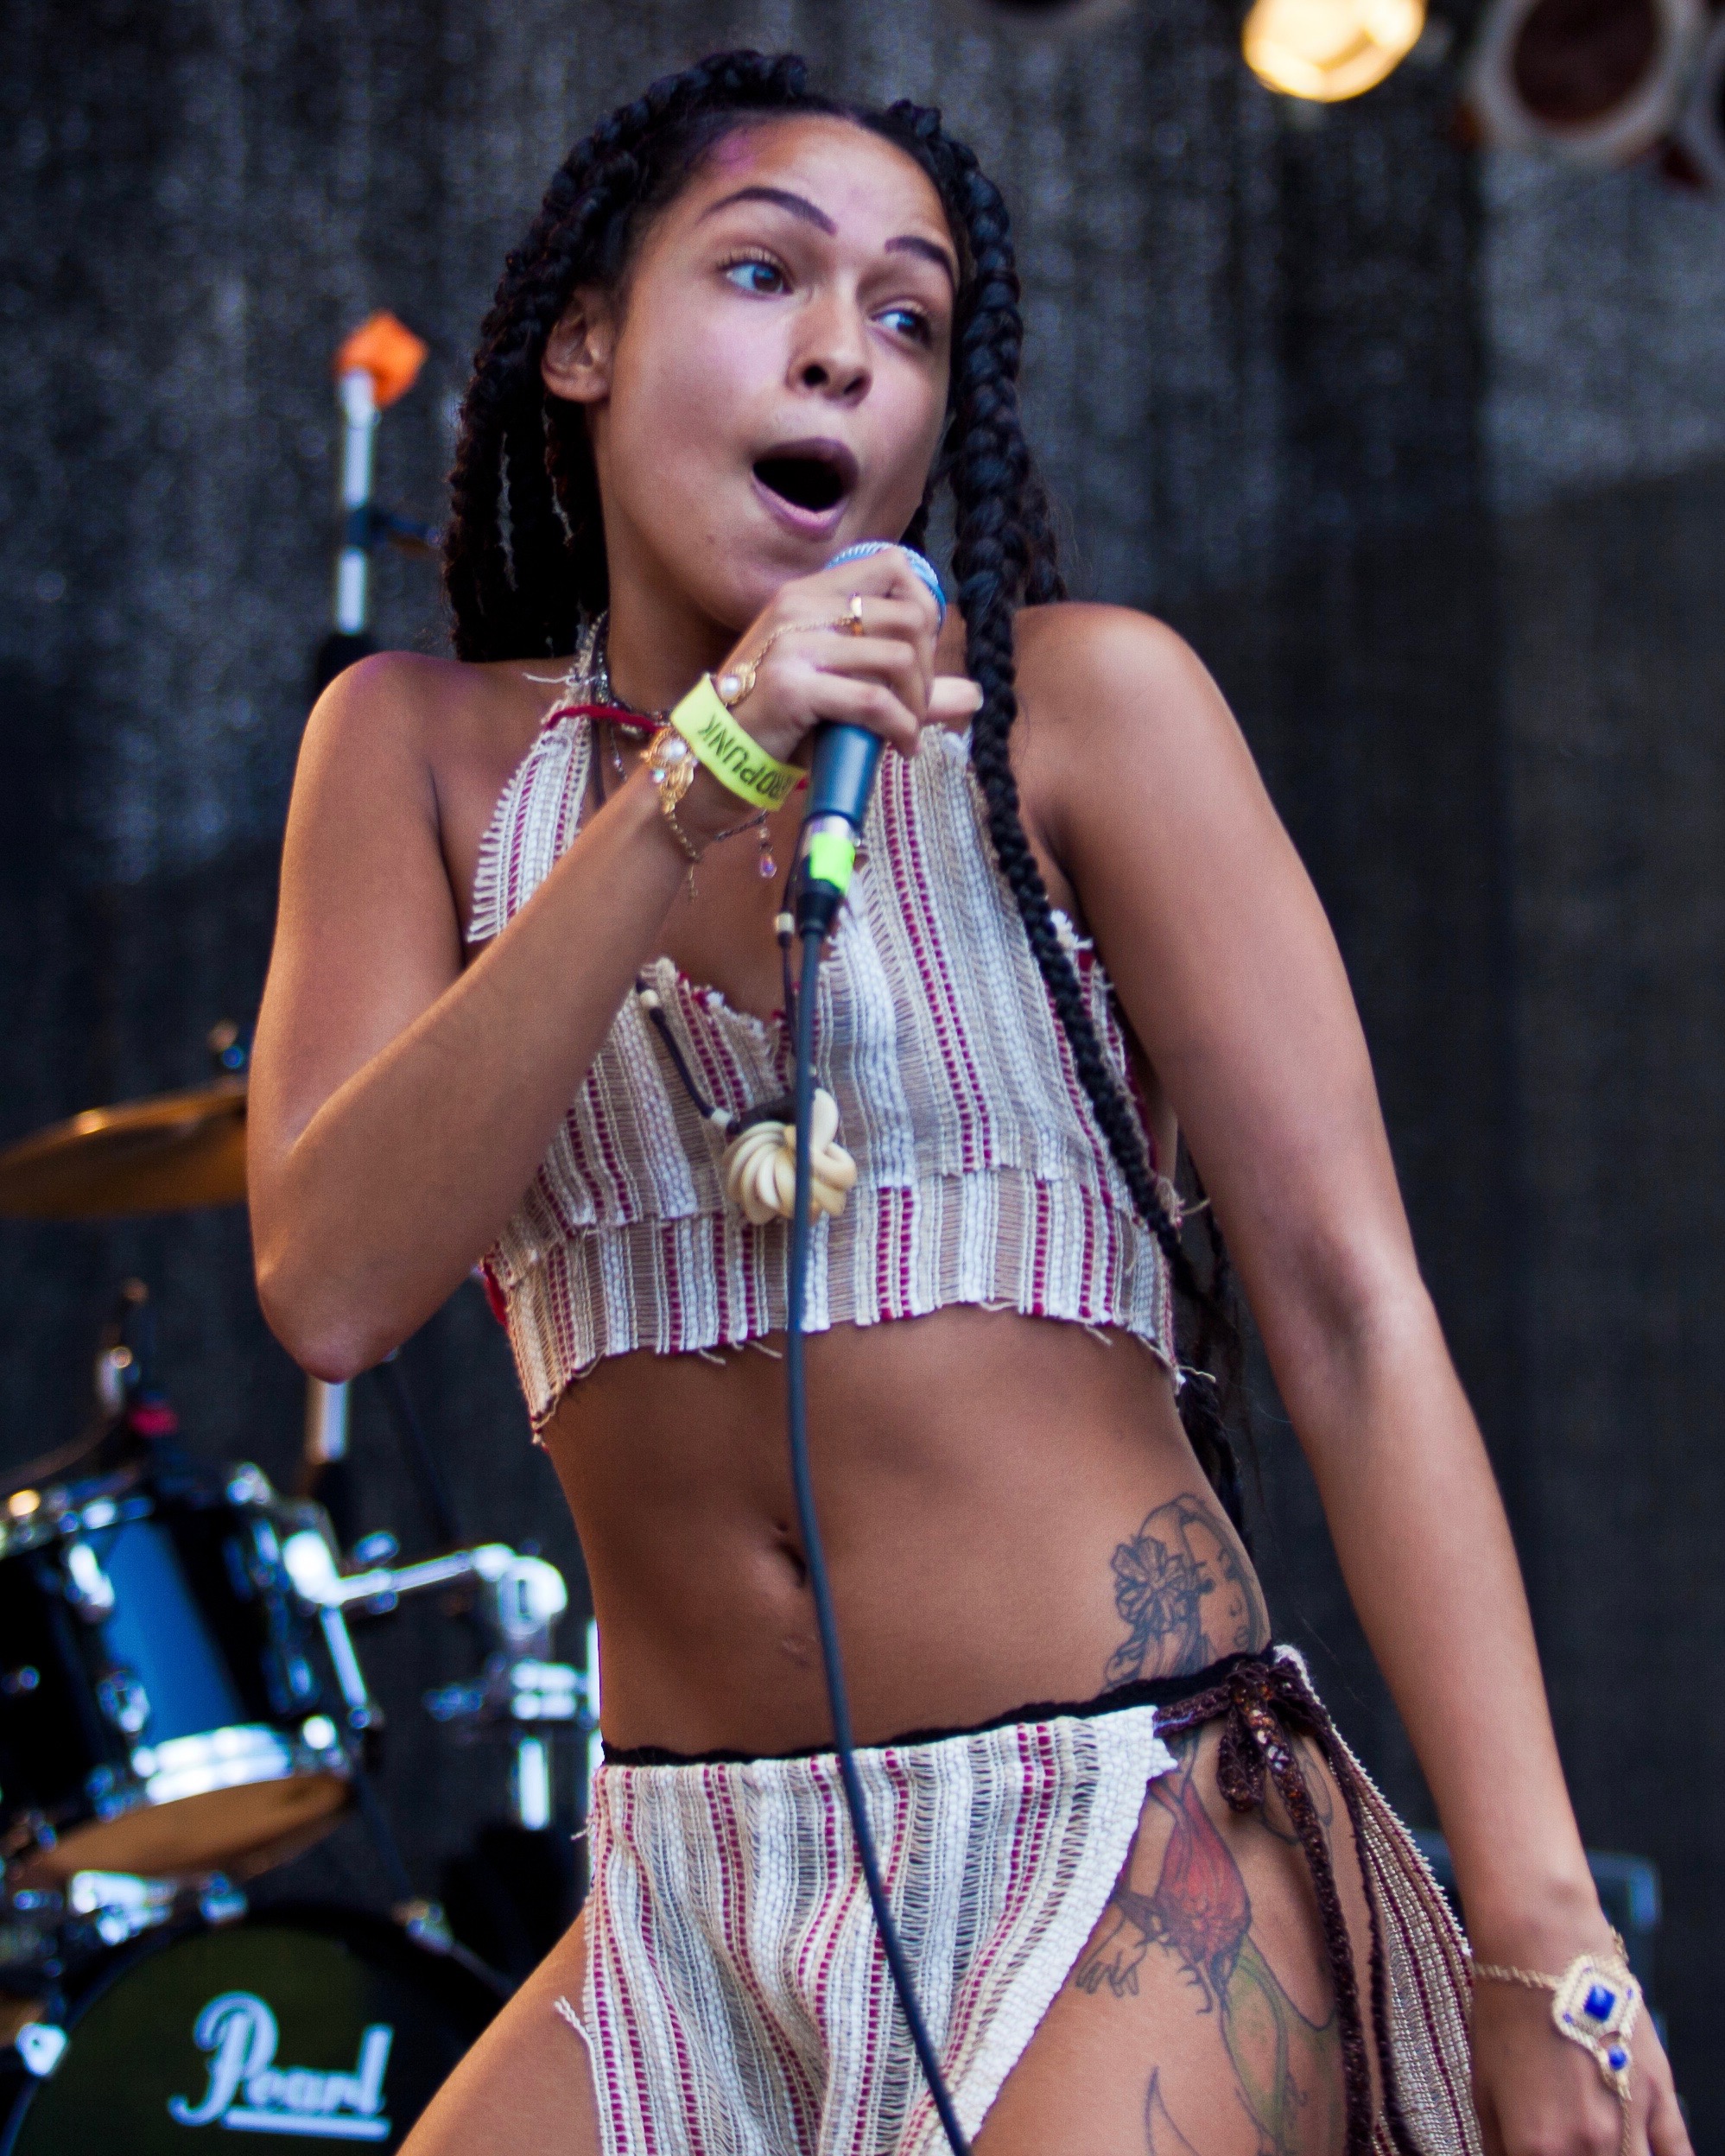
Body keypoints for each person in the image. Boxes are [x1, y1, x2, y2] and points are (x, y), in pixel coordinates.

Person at [247, 49, 1688, 2156]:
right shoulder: (415, 757)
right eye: (765, 273)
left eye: (911, 317)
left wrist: (1542, 1927)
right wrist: (690, 784)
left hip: (1119, 1836)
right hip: (688, 1899)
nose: (847, 348)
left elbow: (1354, 1313)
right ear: (582, 341)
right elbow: (332, 1285)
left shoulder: (1083, 717)